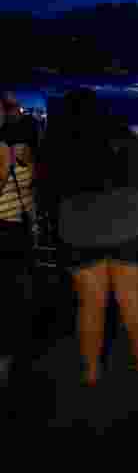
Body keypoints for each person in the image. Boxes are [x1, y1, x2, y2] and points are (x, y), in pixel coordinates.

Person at [42, 88, 138, 385]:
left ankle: (92, 372)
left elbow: (47, 193)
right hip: (128, 222)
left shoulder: (56, 142)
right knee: (132, 298)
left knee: (91, 303)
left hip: (79, 226)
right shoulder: (123, 136)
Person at [0, 96, 37, 387]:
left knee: (13, 294)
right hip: (9, 227)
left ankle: (10, 355)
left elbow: (33, 183)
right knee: (12, 293)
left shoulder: (19, 147)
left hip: (14, 228)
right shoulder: (11, 149)